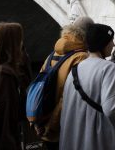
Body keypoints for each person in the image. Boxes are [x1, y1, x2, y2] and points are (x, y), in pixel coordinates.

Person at [59, 23, 115, 150]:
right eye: (111, 41)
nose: (113, 45)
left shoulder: (74, 71)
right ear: (103, 44)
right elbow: (113, 109)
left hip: (75, 139)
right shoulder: (109, 68)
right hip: (100, 140)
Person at [36, 18, 93, 150]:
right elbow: (68, 97)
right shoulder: (81, 57)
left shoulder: (51, 55)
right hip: (63, 127)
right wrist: (51, 126)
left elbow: (38, 89)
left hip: (44, 123)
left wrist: (37, 123)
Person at [0, 23, 26, 150]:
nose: (21, 46)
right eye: (19, 41)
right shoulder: (4, 76)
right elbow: (3, 122)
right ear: (12, 45)